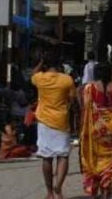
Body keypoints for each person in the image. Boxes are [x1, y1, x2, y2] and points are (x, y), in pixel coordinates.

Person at [32, 50, 78, 199]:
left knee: (47, 157)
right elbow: (73, 101)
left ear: (45, 63)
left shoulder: (40, 78)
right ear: (60, 63)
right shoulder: (67, 80)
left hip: (44, 122)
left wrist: (41, 62)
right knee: (63, 155)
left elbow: (33, 73)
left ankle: (50, 192)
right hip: (61, 121)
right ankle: (58, 186)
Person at [80, 61, 112, 199]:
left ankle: (94, 190)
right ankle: (106, 190)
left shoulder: (89, 88)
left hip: (96, 129)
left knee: (94, 158)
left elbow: (84, 108)